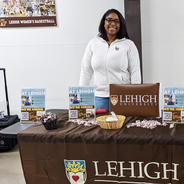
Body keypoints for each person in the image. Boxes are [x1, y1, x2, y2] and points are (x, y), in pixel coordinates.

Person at [79, 9, 141, 111]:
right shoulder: (93, 43)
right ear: (104, 23)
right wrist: (81, 96)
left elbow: (135, 72)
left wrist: (134, 97)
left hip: (123, 97)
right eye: (109, 20)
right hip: (99, 97)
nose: (113, 24)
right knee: (100, 126)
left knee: (123, 126)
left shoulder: (128, 45)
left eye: (117, 21)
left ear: (121, 25)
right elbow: (86, 71)